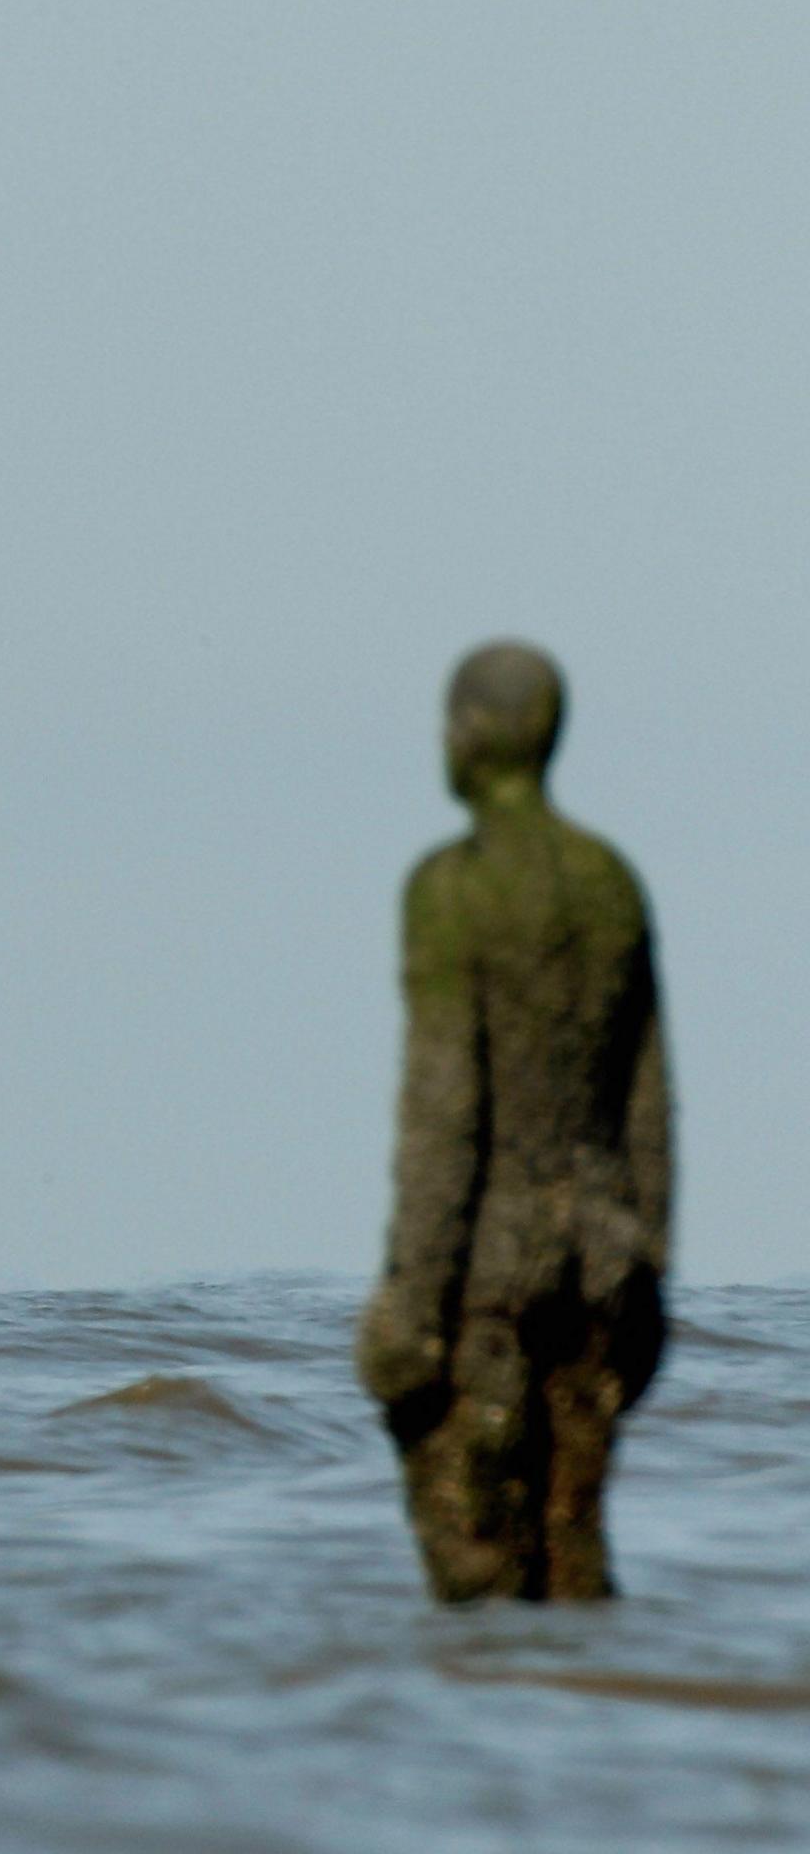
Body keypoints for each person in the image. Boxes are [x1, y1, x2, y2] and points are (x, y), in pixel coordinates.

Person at [359, 641, 672, 1602]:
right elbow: (649, 1106)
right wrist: (650, 1280)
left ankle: (488, 1753)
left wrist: (409, 1314)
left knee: (478, 1588)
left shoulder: (450, 890)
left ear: (474, 736)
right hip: (603, 1275)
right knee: (576, 1573)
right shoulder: (611, 882)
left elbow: (444, 1111)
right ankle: (593, 1742)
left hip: (491, 1283)